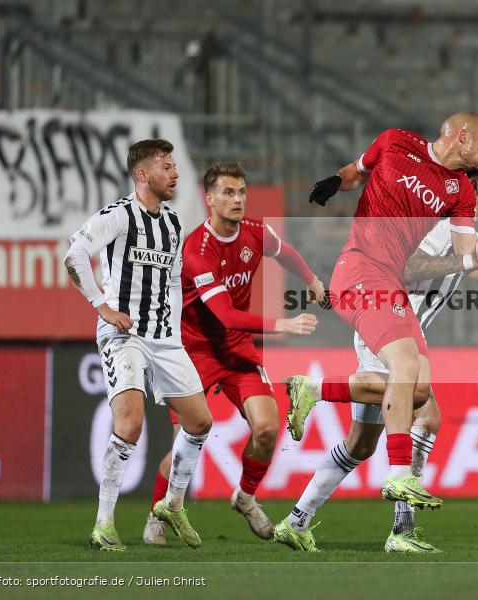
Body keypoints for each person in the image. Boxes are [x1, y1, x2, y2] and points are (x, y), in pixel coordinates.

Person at [275, 158, 478, 552]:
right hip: (387, 325)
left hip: (396, 328)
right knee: (425, 408)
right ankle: (400, 529)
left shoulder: (462, 229)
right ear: (473, 187)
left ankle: (296, 521)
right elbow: (411, 264)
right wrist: (472, 261)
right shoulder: (437, 223)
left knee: (360, 445)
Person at [296, 113, 478, 512]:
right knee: (408, 371)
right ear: (464, 137)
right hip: (361, 268)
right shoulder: (395, 142)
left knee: (416, 389)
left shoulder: (460, 192)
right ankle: (400, 478)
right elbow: (355, 171)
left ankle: (298, 516)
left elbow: (460, 253)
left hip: (392, 287)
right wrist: (336, 182)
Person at [142, 163, 325, 544]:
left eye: (241, 191)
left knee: (267, 427)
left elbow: (286, 251)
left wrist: (311, 279)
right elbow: (225, 315)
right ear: (209, 199)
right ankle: (156, 517)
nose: (237, 199)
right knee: (184, 443)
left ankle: (245, 497)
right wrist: (283, 325)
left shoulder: (256, 232)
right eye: (228, 192)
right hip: (193, 353)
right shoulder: (197, 249)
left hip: (237, 349)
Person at [64, 139, 212, 551]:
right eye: (166, 166)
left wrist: (176, 335)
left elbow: (174, 284)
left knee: (200, 423)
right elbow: (75, 254)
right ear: (142, 175)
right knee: (129, 425)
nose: (175, 173)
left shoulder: (174, 223)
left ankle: (173, 504)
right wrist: (102, 307)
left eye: (175, 166)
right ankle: (103, 524)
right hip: (124, 336)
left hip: (164, 338)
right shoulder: (119, 215)